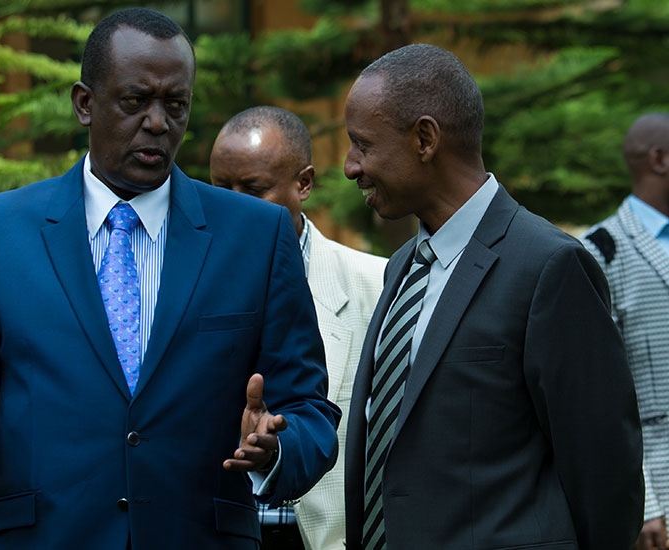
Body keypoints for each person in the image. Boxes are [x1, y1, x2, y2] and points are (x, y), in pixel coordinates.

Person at [0, 8, 340, 549]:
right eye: (135, 101)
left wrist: (278, 448)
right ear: (84, 104)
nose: (158, 122)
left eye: (175, 105)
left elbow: (309, 411)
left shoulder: (257, 235)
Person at [341, 43, 644, 550]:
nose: (351, 166)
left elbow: (605, 476)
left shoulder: (549, 266)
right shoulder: (402, 268)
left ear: (425, 138)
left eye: (362, 144)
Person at [210, 106, 387, 550]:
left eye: (253, 189)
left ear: (304, 184)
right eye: (220, 188)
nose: (233, 204)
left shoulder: (377, 285)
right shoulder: (182, 283)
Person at [581, 112, 669, 550]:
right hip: (659, 491)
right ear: (660, 160)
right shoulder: (600, 251)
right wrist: (645, 501)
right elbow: (601, 391)